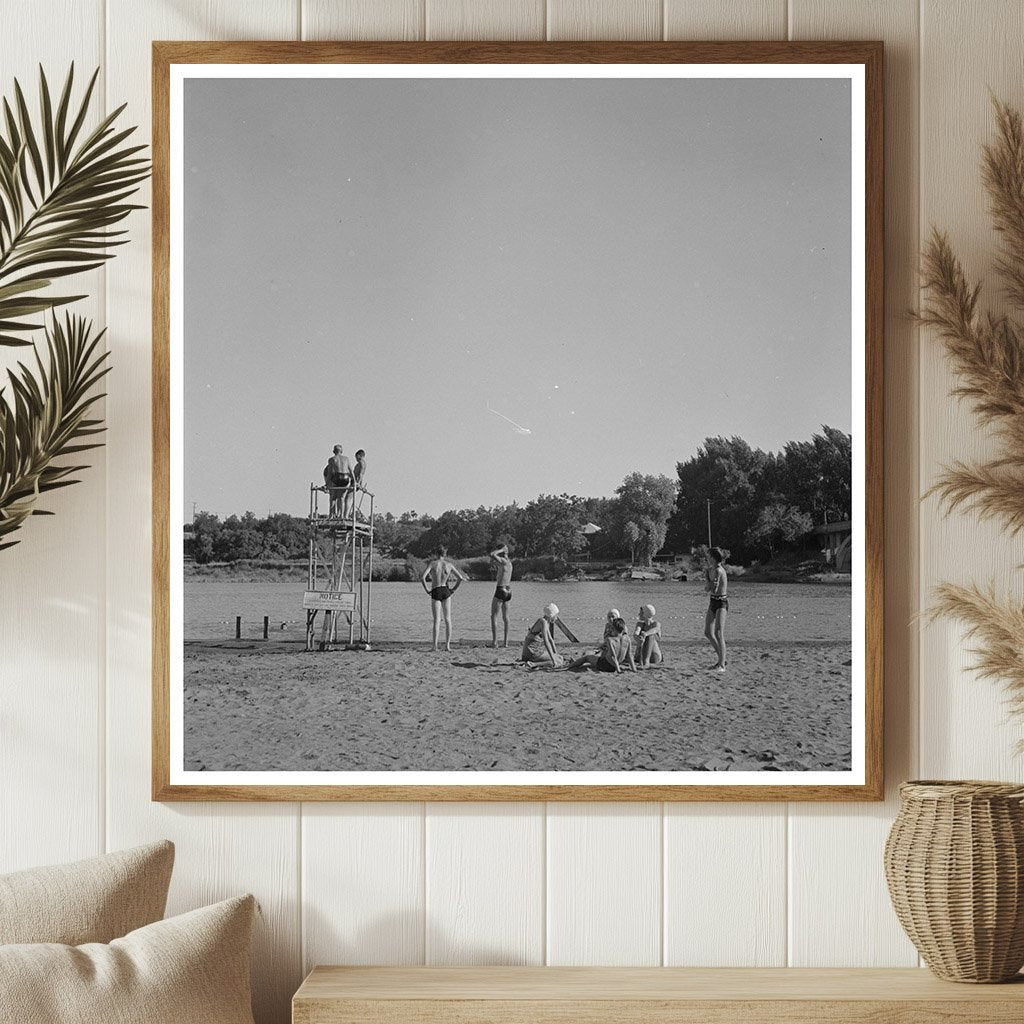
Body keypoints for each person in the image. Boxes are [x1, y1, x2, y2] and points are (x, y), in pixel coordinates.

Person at [421, 546, 467, 652]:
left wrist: (427, 590)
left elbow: (423, 577)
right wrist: (453, 589)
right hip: (446, 590)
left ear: (436, 554)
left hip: (436, 590)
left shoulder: (433, 564)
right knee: (448, 619)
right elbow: (460, 578)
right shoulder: (449, 565)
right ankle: (447, 646)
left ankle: (434, 646)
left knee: (437, 620)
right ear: (445, 554)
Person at [568, 617, 635, 673]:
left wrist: (618, 670)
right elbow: (629, 655)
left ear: (613, 629)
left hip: (607, 665)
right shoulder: (627, 639)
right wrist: (634, 669)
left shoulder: (610, 640)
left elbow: (613, 656)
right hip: (617, 664)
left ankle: (571, 666)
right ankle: (576, 663)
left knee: (587, 657)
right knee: (596, 657)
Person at [704, 546, 728, 671]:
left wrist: (709, 581)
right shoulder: (709, 570)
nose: (707, 559)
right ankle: (722, 658)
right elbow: (707, 589)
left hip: (721, 602)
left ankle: (722, 664)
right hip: (712, 601)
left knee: (719, 633)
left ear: (714, 557)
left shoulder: (719, 571)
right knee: (708, 632)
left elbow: (713, 588)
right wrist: (708, 579)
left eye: (709, 556)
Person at [521, 603, 563, 667]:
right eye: (556, 616)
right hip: (532, 653)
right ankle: (533, 664)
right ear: (551, 615)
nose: (556, 618)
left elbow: (551, 640)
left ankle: (533, 663)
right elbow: (546, 642)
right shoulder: (542, 622)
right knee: (558, 661)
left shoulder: (546, 622)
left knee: (560, 658)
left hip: (534, 652)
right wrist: (554, 660)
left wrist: (555, 654)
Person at [489, 543, 514, 648]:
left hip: (500, 589)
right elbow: (493, 561)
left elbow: (492, 554)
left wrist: (500, 550)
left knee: (494, 616)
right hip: (508, 591)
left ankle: (495, 642)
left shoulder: (503, 561)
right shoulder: (509, 563)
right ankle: (506, 642)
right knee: (506, 617)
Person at [322, 445, 353, 517]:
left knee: (333, 497)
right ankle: (341, 516)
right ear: (342, 451)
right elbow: (351, 471)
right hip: (346, 478)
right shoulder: (346, 459)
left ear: (333, 451)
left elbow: (329, 473)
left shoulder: (331, 460)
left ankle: (332, 515)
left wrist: (326, 484)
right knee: (341, 498)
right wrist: (355, 481)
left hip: (337, 477)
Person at [635, 604, 663, 668]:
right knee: (642, 635)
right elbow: (636, 632)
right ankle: (644, 660)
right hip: (639, 656)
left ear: (646, 614)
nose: (639, 614)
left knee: (650, 636)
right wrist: (638, 637)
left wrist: (646, 634)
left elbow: (656, 629)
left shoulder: (656, 624)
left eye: (641, 613)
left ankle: (646, 661)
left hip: (654, 656)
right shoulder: (640, 624)